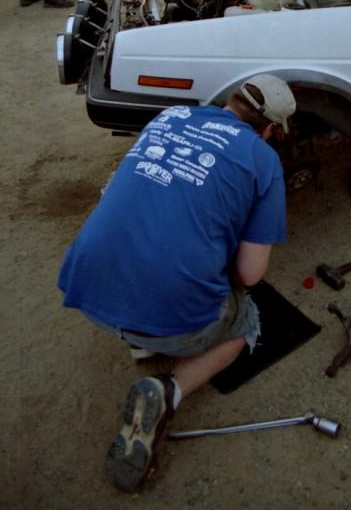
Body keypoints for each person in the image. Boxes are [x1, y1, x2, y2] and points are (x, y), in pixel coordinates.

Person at [58, 74, 296, 493]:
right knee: (246, 318)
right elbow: (249, 274)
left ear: (229, 100)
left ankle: (142, 336)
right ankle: (169, 390)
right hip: (168, 312)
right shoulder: (263, 159)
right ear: (270, 128)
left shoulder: (170, 116)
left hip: (89, 289)